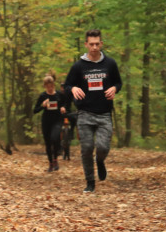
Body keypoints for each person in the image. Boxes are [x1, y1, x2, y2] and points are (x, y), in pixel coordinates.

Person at [63, 29, 122, 193]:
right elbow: (67, 85)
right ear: (86, 44)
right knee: (87, 148)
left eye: (97, 44)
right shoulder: (78, 66)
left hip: (104, 114)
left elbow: (118, 83)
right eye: (91, 44)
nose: (94, 47)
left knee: (103, 147)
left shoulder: (110, 64)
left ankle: (100, 161)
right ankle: (90, 182)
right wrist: (73, 88)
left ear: (101, 44)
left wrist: (114, 89)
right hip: (85, 114)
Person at [32, 74, 68, 172]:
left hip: (57, 120)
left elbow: (66, 103)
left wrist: (63, 107)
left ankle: (55, 158)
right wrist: (43, 106)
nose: (50, 88)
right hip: (46, 121)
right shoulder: (43, 96)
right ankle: (51, 163)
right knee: (48, 143)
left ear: (53, 85)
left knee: (55, 138)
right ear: (45, 86)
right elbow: (35, 110)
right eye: (48, 86)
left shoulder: (60, 95)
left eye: (51, 86)